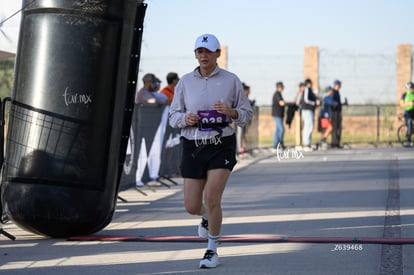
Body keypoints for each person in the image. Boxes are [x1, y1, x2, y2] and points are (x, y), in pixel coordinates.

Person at [169, 33, 253, 269]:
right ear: (195, 54)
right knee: (192, 206)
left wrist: (231, 112)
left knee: (212, 197)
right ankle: (207, 216)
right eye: (199, 51)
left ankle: (212, 250)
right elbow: (172, 116)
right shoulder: (185, 82)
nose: (203, 55)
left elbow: (247, 114)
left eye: (208, 51)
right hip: (193, 144)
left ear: (218, 54)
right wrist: (187, 117)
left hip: (221, 144)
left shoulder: (231, 80)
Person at [300, 78, 319, 152]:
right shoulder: (306, 89)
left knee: (309, 126)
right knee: (308, 126)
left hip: (310, 110)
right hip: (307, 110)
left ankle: (308, 143)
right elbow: (306, 100)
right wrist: (314, 103)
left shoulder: (310, 90)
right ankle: (306, 144)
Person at [239, 82, 255, 154]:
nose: (249, 92)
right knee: (240, 134)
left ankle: (243, 147)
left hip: (246, 119)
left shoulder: (246, 98)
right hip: (240, 119)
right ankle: (240, 149)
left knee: (244, 133)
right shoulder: (241, 97)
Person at [272, 82, 286, 149]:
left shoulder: (279, 94)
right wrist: (288, 103)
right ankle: (280, 143)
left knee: (278, 130)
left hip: (280, 114)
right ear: (279, 87)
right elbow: (281, 103)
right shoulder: (277, 94)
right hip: (277, 114)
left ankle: (276, 145)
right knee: (281, 129)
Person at [399, 81, 414, 147]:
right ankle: (408, 140)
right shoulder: (404, 95)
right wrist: (409, 103)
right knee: (409, 123)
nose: (412, 89)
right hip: (407, 112)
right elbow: (401, 104)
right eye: (411, 88)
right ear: (408, 88)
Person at [331, 79, 343, 148]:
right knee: (335, 128)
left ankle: (337, 143)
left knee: (339, 128)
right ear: (336, 85)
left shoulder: (337, 92)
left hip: (338, 111)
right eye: (339, 84)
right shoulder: (333, 92)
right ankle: (334, 143)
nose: (340, 86)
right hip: (334, 112)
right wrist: (335, 104)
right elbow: (333, 102)